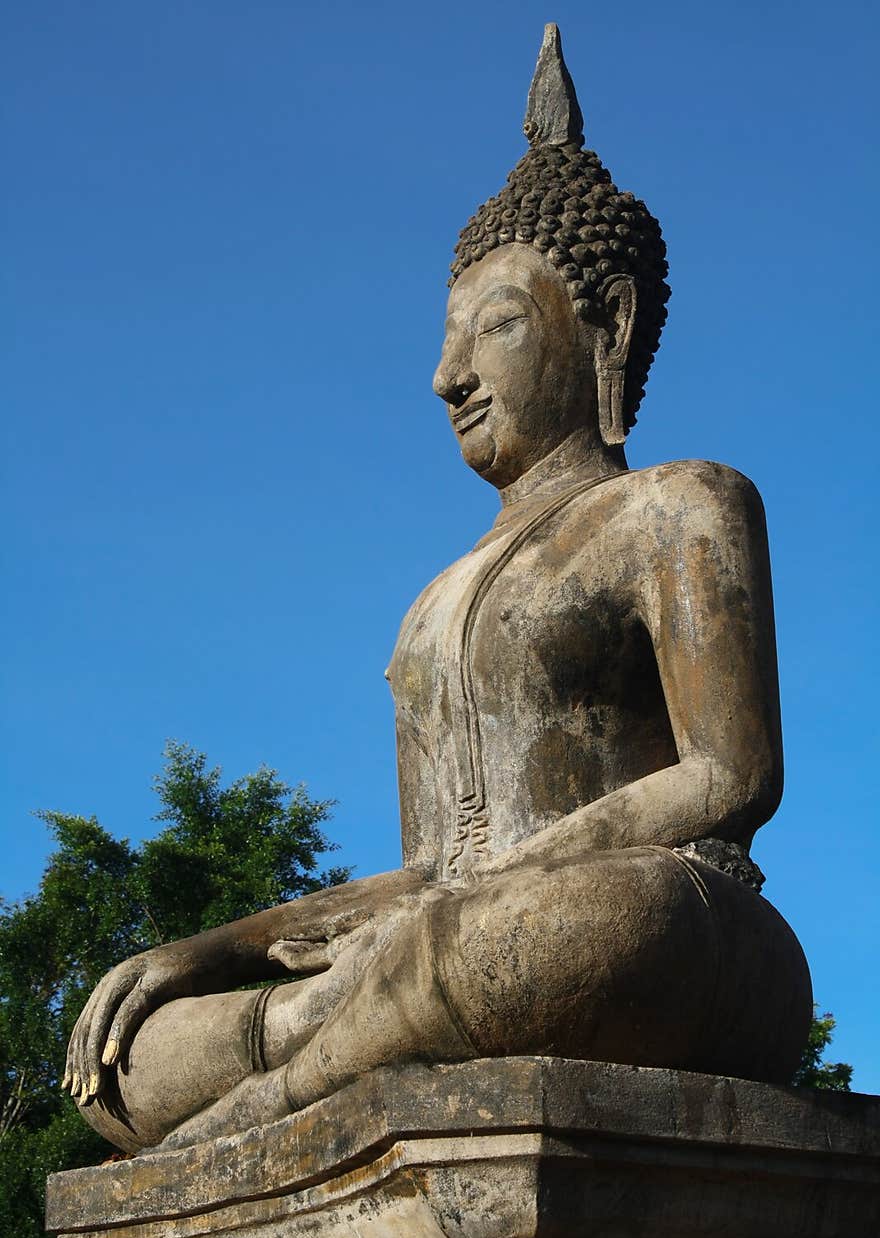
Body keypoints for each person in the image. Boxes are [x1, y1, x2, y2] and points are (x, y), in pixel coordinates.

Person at [63, 26, 811, 1154]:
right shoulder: (431, 604)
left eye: (494, 326)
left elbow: (732, 772)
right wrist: (211, 948)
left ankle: (282, 1098)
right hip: (445, 951)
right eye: (448, 332)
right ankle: (328, 1055)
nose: (446, 372)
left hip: (636, 924)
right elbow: (425, 870)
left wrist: (489, 887)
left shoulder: (677, 506)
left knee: (561, 928)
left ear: (603, 319)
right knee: (135, 1049)